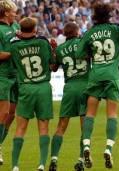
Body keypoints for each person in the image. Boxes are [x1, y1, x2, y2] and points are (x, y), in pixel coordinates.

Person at [75, 3, 119, 169]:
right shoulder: (116, 29)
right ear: (109, 15)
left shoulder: (89, 33)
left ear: (94, 16)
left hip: (96, 75)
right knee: (112, 115)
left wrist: (92, 52)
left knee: (90, 114)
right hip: (112, 76)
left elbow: (79, 54)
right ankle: (108, 149)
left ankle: (87, 145)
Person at [9, 17, 56, 171]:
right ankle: (42, 164)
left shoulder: (14, 45)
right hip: (43, 87)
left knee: (20, 128)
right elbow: (52, 65)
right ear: (35, 29)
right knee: (43, 128)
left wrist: (19, 34)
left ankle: (15, 166)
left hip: (26, 88)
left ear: (21, 30)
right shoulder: (43, 42)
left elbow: (14, 64)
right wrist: (53, 49)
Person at [48, 22, 90, 171]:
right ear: (77, 32)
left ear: (65, 34)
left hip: (70, 87)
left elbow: (52, 68)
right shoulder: (84, 43)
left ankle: (53, 160)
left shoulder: (60, 49)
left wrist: (53, 50)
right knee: (85, 126)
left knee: (61, 126)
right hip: (85, 86)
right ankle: (80, 160)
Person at [0, 0, 19, 165]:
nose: (15, 13)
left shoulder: (16, 27)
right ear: (6, 12)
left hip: (16, 75)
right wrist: (15, 52)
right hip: (3, 75)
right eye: (13, 11)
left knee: (12, 114)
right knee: (3, 112)